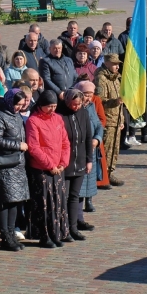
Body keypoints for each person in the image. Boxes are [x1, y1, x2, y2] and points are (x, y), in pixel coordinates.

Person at [25, 90, 70, 248]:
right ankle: (44, 235)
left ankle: (56, 233)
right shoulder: (34, 121)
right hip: (42, 169)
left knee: (58, 203)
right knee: (44, 204)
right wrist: (50, 165)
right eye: (49, 106)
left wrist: (62, 163)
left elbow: (65, 142)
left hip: (58, 168)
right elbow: (34, 147)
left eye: (54, 106)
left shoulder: (58, 119)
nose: (52, 109)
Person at [0, 89, 30, 251]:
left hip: (17, 166)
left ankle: (12, 233)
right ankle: (5, 236)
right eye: (17, 104)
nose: (19, 107)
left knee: (15, 201)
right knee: (4, 202)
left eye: (21, 105)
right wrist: (17, 145)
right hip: (3, 166)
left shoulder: (16, 116)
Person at [58, 89, 93, 239]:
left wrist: (89, 159)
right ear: (67, 102)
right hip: (65, 162)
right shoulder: (60, 114)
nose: (76, 107)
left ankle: (73, 228)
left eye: (79, 104)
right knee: (63, 196)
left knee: (74, 196)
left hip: (80, 161)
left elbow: (88, 136)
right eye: (74, 104)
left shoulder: (83, 113)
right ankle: (62, 228)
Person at [94, 54, 125, 186]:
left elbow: (121, 103)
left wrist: (121, 119)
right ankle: (102, 175)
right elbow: (100, 101)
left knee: (114, 149)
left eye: (118, 64)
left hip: (116, 119)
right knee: (105, 149)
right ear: (106, 63)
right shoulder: (101, 78)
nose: (117, 66)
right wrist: (114, 102)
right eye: (114, 64)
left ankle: (110, 172)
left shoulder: (117, 78)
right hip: (107, 119)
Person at [74, 81, 104, 214]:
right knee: (82, 174)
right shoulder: (76, 107)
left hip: (91, 146)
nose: (88, 97)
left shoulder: (91, 106)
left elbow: (98, 124)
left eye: (90, 94)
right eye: (85, 94)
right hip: (80, 146)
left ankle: (89, 200)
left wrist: (97, 139)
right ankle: (79, 201)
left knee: (91, 175)